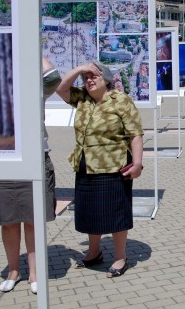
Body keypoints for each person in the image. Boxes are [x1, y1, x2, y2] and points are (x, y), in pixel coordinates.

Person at [0, 58, 60, 294]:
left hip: (34, 159)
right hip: (0, 161)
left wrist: (30, 46)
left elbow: (52, 75)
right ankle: (14, 270)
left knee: (33, 221)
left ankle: (35, 273)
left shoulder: (36, 90)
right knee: (8, 222)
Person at [56, 60, 144, 278]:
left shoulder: (121, 101)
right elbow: (60, 88)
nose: (88, 81)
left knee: (116, 213)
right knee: (89, 212)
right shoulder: (82, 99)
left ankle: (120, 257)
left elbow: (135, 134)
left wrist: (138, 163)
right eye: (86, 78)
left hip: (114, 166)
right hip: (86, 164)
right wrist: (78, 68)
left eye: (93, 77)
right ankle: (94, 252)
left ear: (106, 80)